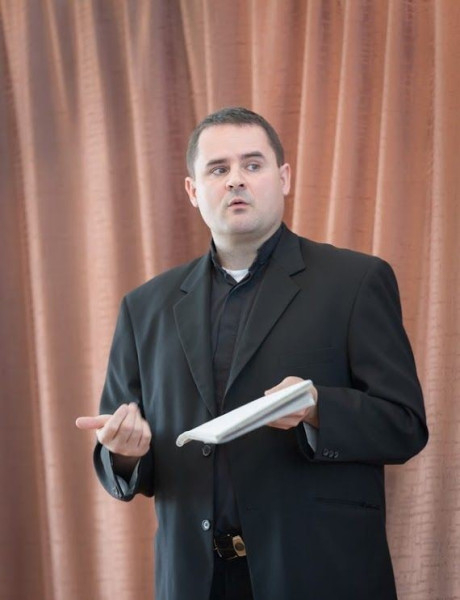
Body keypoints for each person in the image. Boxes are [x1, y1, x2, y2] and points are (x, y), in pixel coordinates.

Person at [76, 107, 428, 600]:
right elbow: (125, 452)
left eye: (252, 165)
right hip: (195, 581)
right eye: (218, 169)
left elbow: (405, 424)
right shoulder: (145, 306)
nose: (235, 180)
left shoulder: (355, 281)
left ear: (283, 178)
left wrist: (317, 409)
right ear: (193, 191)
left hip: (320, 572)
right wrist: (123, 453)